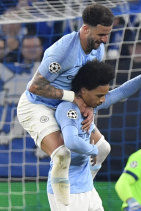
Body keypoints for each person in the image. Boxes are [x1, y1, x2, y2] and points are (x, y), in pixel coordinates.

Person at [16, 4, 115, 208]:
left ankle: (84, 186)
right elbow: (35, 87)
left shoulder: (98, 50)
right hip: (37, 106)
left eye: (107, 34)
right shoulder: (62, 51)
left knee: (103, 148)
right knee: (62, 154)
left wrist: (89, 109)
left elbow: (89, 87)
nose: (105, 40)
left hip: (66, 105)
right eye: (101, 34)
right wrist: (73, 98)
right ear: (86, 29)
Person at [48, 58, 141, 211]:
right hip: (66, 189)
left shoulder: (91, 104)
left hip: (87, 188)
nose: (103, 100)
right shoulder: (68, 109)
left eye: (104, 95)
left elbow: (121, 92)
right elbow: (71, 142)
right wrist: (93, 150)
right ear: (83, 90)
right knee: (102, 148)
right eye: (99, 96)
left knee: (105, 147)